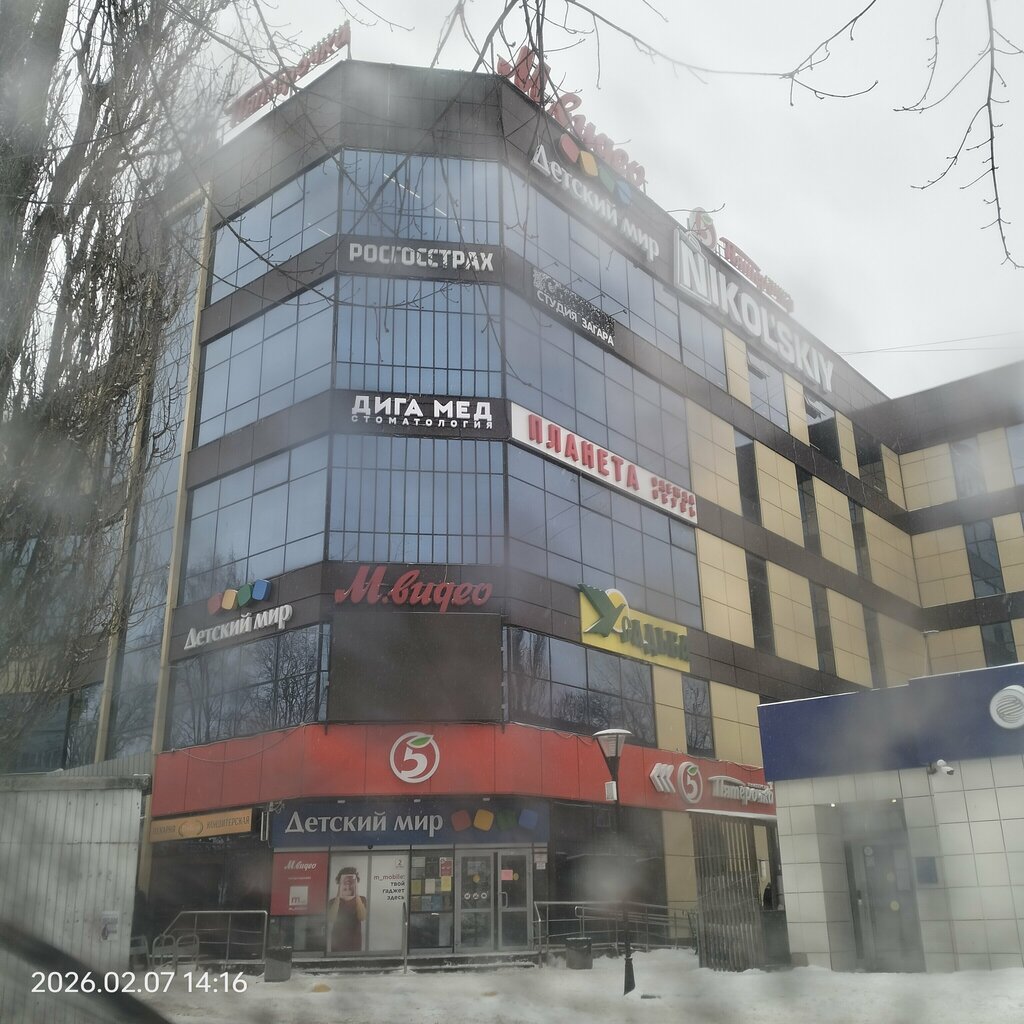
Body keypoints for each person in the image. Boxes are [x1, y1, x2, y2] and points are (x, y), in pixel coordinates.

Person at [327, 866, 367, 952]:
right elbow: (331, 918)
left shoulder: (361, 899)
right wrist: (339, 894)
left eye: (351, 882)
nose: (348, 885)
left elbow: (362, 917)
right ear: (339, 882)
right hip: (337, 943)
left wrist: (356, 892)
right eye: (344, 882)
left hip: (354, 942)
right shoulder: (333, 901)